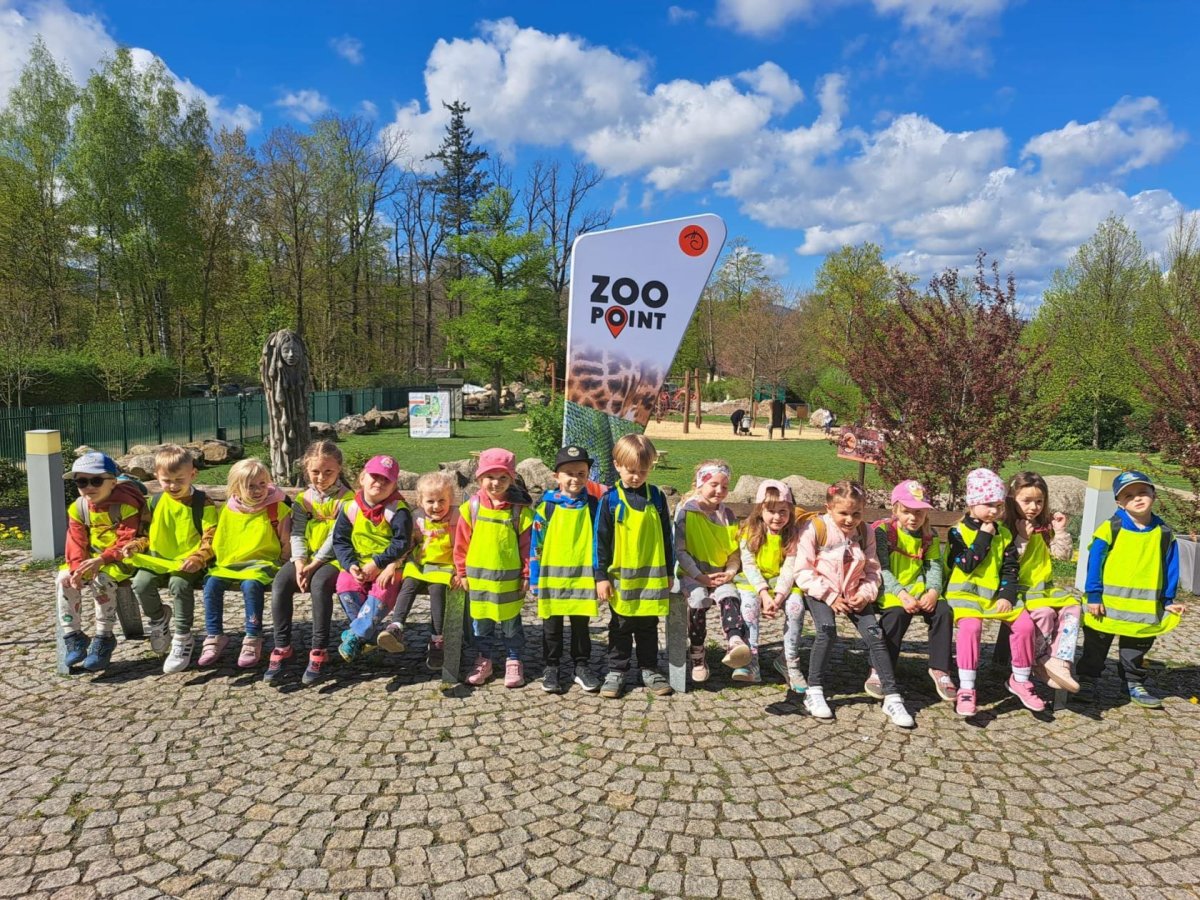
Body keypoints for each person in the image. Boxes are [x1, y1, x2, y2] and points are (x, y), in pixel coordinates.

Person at [793, 481, 915, 727]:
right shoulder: (815, 528)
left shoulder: (866, 532)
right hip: (821, 592)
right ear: (829, 508)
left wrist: (865, 593)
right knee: (827, 630)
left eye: (856, 513)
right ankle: (814, 690)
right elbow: (803, 571)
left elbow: (873, 570)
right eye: (843, 513)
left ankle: (892, 696)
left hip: (854, 593)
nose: (850, 520)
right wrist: (830, 596)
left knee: (875, 635)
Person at [1076, 470, 1185, 708]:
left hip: (1143, 611)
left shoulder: (1165, 533)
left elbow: (1171, 569)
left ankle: (1133, 684)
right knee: (1095, 647)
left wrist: (1168, 601)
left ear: (1154, 495)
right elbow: (1095, 563)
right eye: (1129, 495)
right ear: (1119, 502)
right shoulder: (1110, 528)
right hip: (1105, 606)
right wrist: (1093, 595)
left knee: (1135, 650)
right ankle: (1087, 680)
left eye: (1142, 492)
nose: (1137, 498)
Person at [945, 468, 1042, 716]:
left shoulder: (1005, 534)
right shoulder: (957, 532)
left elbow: (1010, 568)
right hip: (965, 597)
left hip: (996, 599)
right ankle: (967, 688)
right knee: (971, 628)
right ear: (972, 504)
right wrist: (983, 538)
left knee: (1025, 626)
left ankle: (1020, 679)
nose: (995, 511)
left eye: (998, 506)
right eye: (989, 505)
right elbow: (966, 564)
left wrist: (1007, 596)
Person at [263, 441, 352, 685]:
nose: (321, 477)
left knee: (320, 584)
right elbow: (297, 533)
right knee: (281, 582)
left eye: (328, 472)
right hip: (306, 557)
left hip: (335, 559)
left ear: (339, 469)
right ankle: (282, 646)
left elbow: (337, 536)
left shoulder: (347, 500)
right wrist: (300, 562)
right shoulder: (303, 500)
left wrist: (314, 565)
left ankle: (319, 650)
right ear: (306, 470)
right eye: (315, 472)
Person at [123, 445, 218, 674]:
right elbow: (144, 535)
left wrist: (198, 558)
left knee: (179, 584)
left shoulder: (203, 503)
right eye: (167, 481)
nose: (173, 486)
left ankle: (183, 636)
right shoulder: (154, 503)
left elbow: (212, 538)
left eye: (179, 480)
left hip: (189, 562)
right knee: (140, 583)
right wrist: (135, 546)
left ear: (193, 474)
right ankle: (159, 619)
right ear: (157, 476)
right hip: (158, 560)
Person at [594, 434, 674, 699]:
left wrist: (669, 571)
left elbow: (667, 537)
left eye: (643, 471)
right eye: (631, 471)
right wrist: (600, 577)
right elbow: (600, 542)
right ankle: (616, 671)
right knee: (621, 625)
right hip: (621, 581)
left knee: (648, 625)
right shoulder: (610, 500)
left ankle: (649, 669)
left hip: (652, 580)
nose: (637, 477)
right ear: (617, 465)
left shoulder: (657, 497)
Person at [57, 452, 147, 672]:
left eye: (96, 481)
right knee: (64, 579)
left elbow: (127, 540)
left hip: (122, 558)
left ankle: (104, 637)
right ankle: (73, 635)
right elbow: (75, 542)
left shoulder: (125, 506)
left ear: (113, 482)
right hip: (91, 559)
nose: (89, 487)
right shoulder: (78, 508)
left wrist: (102, 560)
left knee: (102, 581)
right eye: (82, 482)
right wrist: (77, 569)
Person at [869, 480, 956, 702]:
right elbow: (881, 568)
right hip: (891, 591)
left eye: (919, 512)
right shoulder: (884, 532)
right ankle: (880, 668)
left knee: (943, 612)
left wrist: (933, 591)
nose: (913, 518)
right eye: (907, 511)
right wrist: (901, 594)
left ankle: (940, 669)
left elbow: (934, 566)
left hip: (920, 590)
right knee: (896, 615)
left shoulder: (930, 535)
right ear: (895, 509)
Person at [199, 459, 291, 668]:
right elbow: (222, 539)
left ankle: (253, 636)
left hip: (263, 564)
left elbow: (286, 541)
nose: (258, 490)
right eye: (250, 486)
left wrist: (285, 563)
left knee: (251, 586)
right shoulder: (228, 510)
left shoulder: (276, 509)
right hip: (230, 564)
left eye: (262, 484)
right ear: (236, 487)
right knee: (211, 584)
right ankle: (214, 635)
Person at [456, 448, 533, 688]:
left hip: (509, 582)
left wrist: (527, 574)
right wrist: (462, 572)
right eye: (490, 477)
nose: (496, 483)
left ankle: (514, 659)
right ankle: (484, 660)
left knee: (511, 624)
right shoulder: (472, 507)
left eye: (503, 477)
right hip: (479, 581)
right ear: (480, 478)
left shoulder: (519, 510)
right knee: (481, 624)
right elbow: (461, 543)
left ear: (512, 479)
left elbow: (527, 547)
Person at [530, 446, 603, 694]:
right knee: (552, 627)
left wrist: (600, 575)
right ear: (556, 476)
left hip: (583, 579)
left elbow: (601, 542)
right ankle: (551, 667)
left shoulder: (593, 506)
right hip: (552, 580)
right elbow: (537, 544)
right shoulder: (546, 508)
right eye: (569, 473)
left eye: (581, 473)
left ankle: (581, 666)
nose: (575, 479)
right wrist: (535, 579)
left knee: (581, 627)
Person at [379, 470, 463, 672]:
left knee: (437, 591)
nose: (436, 506)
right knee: (408, 585)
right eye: (430, 501)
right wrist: (394, 564)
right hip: (419, 565)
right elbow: (408, 544)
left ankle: (437, 639)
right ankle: (396, 626)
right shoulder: (417, 518)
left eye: (442, 501)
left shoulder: (456, 518)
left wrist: (461, 571)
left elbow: (464, 546)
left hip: (443, 566)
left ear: (451, 500)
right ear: (420, 501)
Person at [1003, 472, 1079, 693]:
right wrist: (1022, 539)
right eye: (1026, 501)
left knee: (1073, 607)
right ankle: (1039, 660)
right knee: (1044, 614)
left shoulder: (1043, 526)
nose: (1034, 507)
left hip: (1043, 589)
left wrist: (1060, 531)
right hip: (1018, 590)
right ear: (1012, 499)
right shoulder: (1007, 528)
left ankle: (1060, 660)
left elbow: (1062, 556)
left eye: (1039, 501)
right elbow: (1005, 563)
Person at [333, 455, 413, 664]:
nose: (379, 482)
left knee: (385, 587)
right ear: (362, 478)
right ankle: (364, 635)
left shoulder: (397, 510)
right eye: (375, 476)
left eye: (386, 479)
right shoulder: (350, 507)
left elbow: (402, 543)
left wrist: (378, 563)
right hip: (358, 564)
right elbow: (340, 541)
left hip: (389, 565)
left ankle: (355, 636)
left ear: (394, 485)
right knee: (344, 583)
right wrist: (350, 565)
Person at [675, 460, 748, 684]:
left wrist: (730, 572)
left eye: (724, 487)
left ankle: (735, 641)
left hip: (720, 574)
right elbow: (680, 550)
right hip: (693, 575)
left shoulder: (728, 515)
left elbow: (734, 552)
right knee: (698, 600)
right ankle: (697, 653)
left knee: (729, 596)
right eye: (714, 485)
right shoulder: (686, 513)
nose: (719, 491)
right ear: (700, 484)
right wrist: (700, 576)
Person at [737, 480, 800, 687]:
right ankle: (751, 658)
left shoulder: (793, 534)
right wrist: (764, 594)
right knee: (749, 606)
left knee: (796, 607)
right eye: (771, 511)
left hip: (783, 582)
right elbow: (748, 565)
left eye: (783, 511)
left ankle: (789, 659)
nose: (777, 517)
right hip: (754, 581)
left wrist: (779, 596)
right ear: (760, 510)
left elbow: (790, 568)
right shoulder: (750, 531)